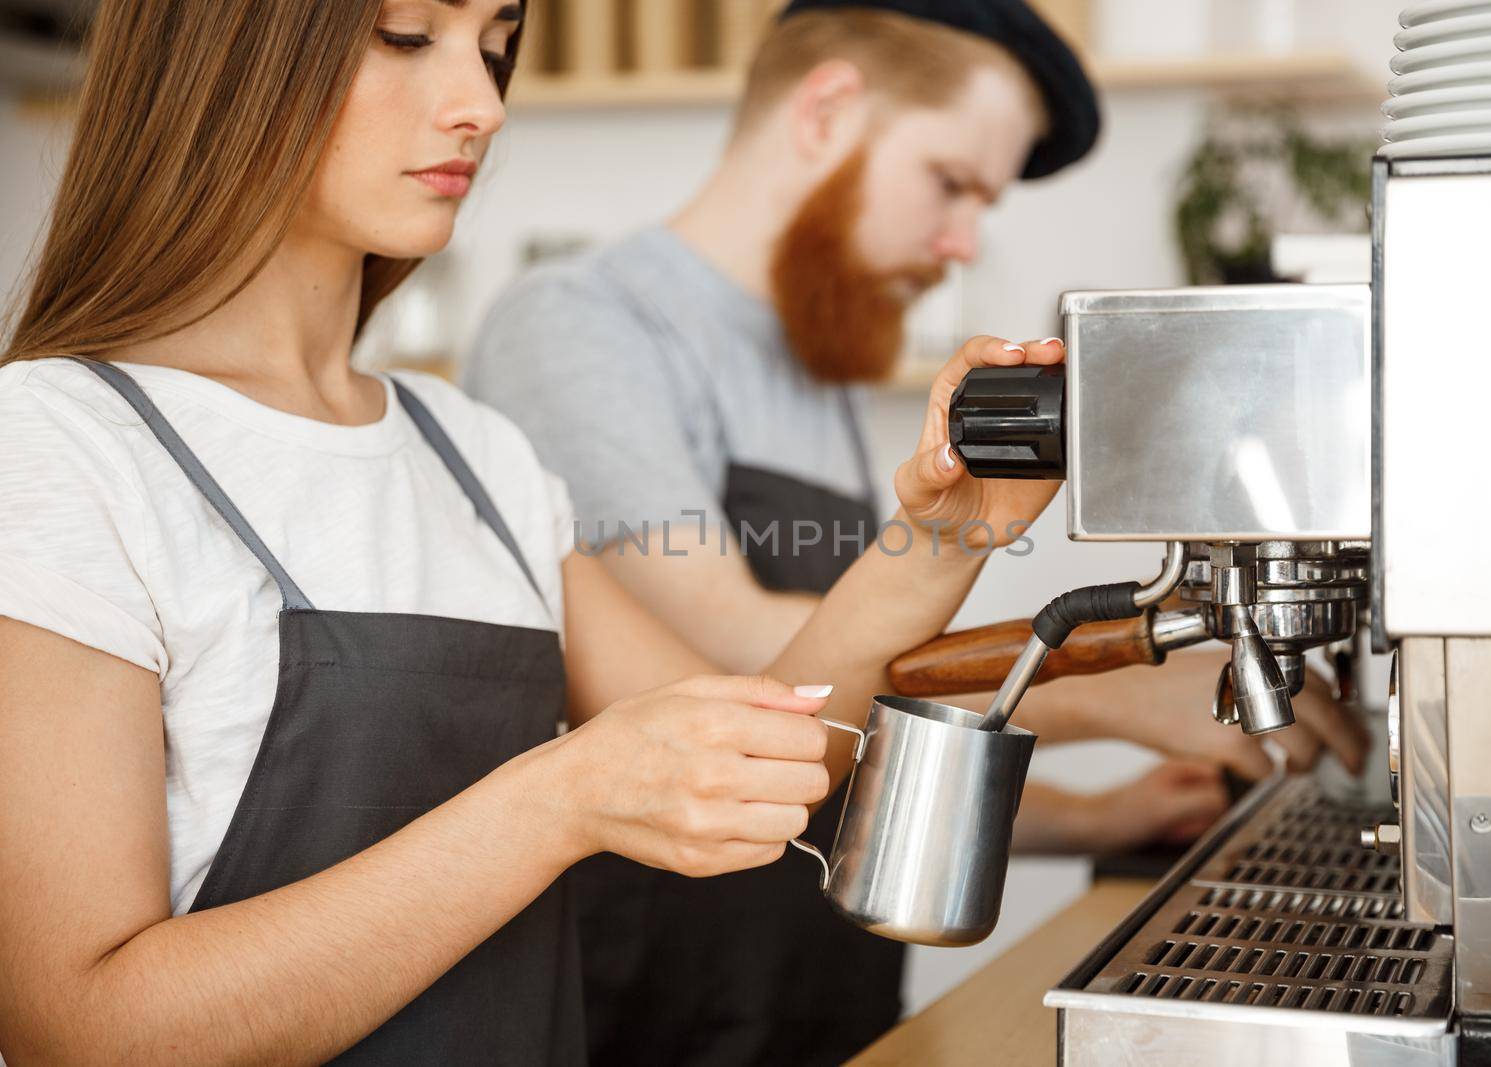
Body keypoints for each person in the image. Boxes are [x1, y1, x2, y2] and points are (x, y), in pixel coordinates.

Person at [0, 2, 1078, 1063]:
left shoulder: (471, 450)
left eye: (496, 48)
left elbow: (770, 737)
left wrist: (944, 536)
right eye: (407, 38)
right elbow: (84, 1026)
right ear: (227, 54)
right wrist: (556, 800)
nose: (480, 103)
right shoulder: (61, 442)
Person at [465, 1, 1370, 1063]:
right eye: (950, 184)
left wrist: (1091, 818)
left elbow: (840, 755)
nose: (962, 243)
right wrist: (1112, 681)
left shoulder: (813, 364)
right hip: (655, 998)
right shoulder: (580, 326)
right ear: (828, 108)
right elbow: (749, 669)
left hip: (817, 999)